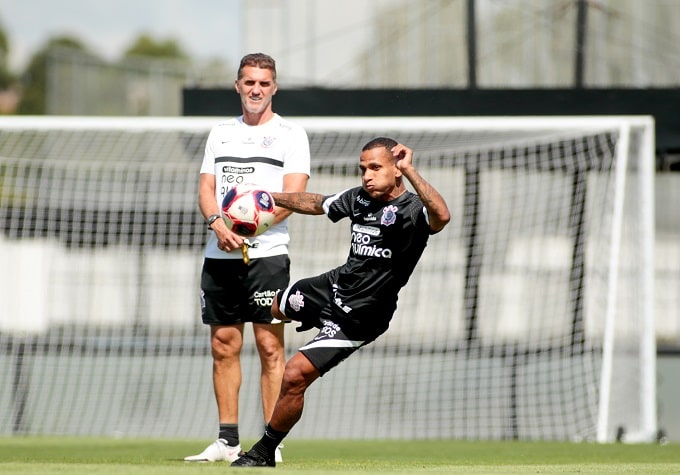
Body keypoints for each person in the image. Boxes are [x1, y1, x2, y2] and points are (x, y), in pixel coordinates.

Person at [231, 137, 450, 467]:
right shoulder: (359, 199)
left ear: (396, 169)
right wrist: (270, 197)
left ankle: (264, 452)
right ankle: (311, 322)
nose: (367, 176)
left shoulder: (413, 211)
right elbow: (317, 202)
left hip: (362, 315)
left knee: (294, 376)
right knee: (275, 307)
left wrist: (411, 170)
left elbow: (443, 216)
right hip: (332, 287)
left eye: (375, 168)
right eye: (363, 169)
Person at [185, 53, 310, 463]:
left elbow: (293, 196)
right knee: (223, 344)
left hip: (268, 255)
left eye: (264, 82)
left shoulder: (292, 135)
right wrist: (217, 224)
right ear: (237, 86)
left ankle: (270, 445)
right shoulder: (220, 134)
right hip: (218, 252)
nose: (256, 89)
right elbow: (206, 188)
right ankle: (226, 442)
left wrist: (247, 228)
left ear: (274, 87)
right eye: (248, 82)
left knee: (270, 347)